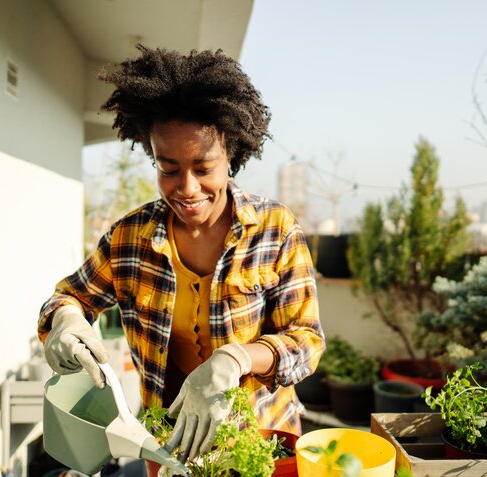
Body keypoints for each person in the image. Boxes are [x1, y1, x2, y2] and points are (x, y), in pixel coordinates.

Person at [37, 46, 324, 463]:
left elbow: (307, 340)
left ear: (232, 155)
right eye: (168, 169)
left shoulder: (274, 229)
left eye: (203, 167)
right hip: (170, 449)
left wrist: (235, 358)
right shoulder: (129, 239)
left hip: (260, 445)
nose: (187, 188)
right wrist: (64, 320)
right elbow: (70, 298)